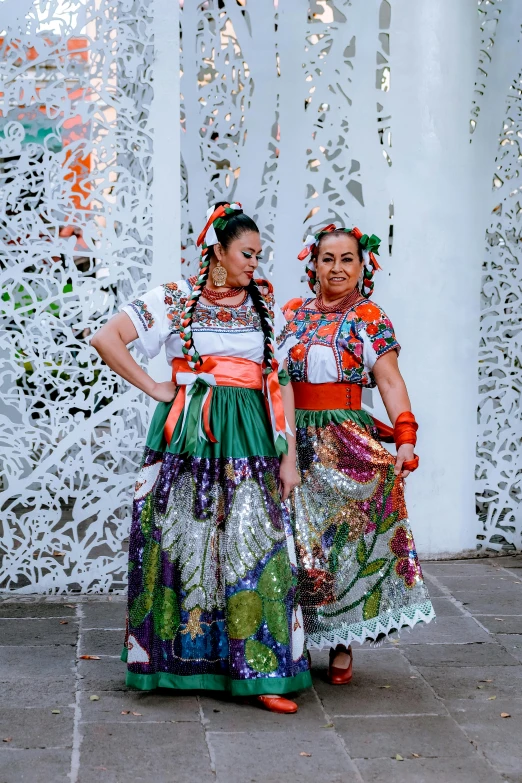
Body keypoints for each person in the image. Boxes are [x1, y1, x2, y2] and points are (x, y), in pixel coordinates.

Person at [91, 202, 312, 713]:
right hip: (189, 433)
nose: (255, 263)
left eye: (258, 255)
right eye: (247, 253)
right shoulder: (172, 298)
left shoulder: (264, 302)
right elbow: (107, 338)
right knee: (182, 540)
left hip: (252, 434)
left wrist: (290, 455)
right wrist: (157, 388)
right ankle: (178, 664)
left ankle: (263, 671)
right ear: (218, 251)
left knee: (254, 546)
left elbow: (278, 381)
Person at [280, 224, 434, 684]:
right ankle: (296, 635)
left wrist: (405, 436)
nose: (338, 268)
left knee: (341, 542)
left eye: (347, 259)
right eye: (329, 259)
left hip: (343, 440)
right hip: (288, 440)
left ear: (362, 265)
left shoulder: (369, 317)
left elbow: (389, 380)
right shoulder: (291, 314)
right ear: (314, 265)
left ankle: (343, 639)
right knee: (292, 538)